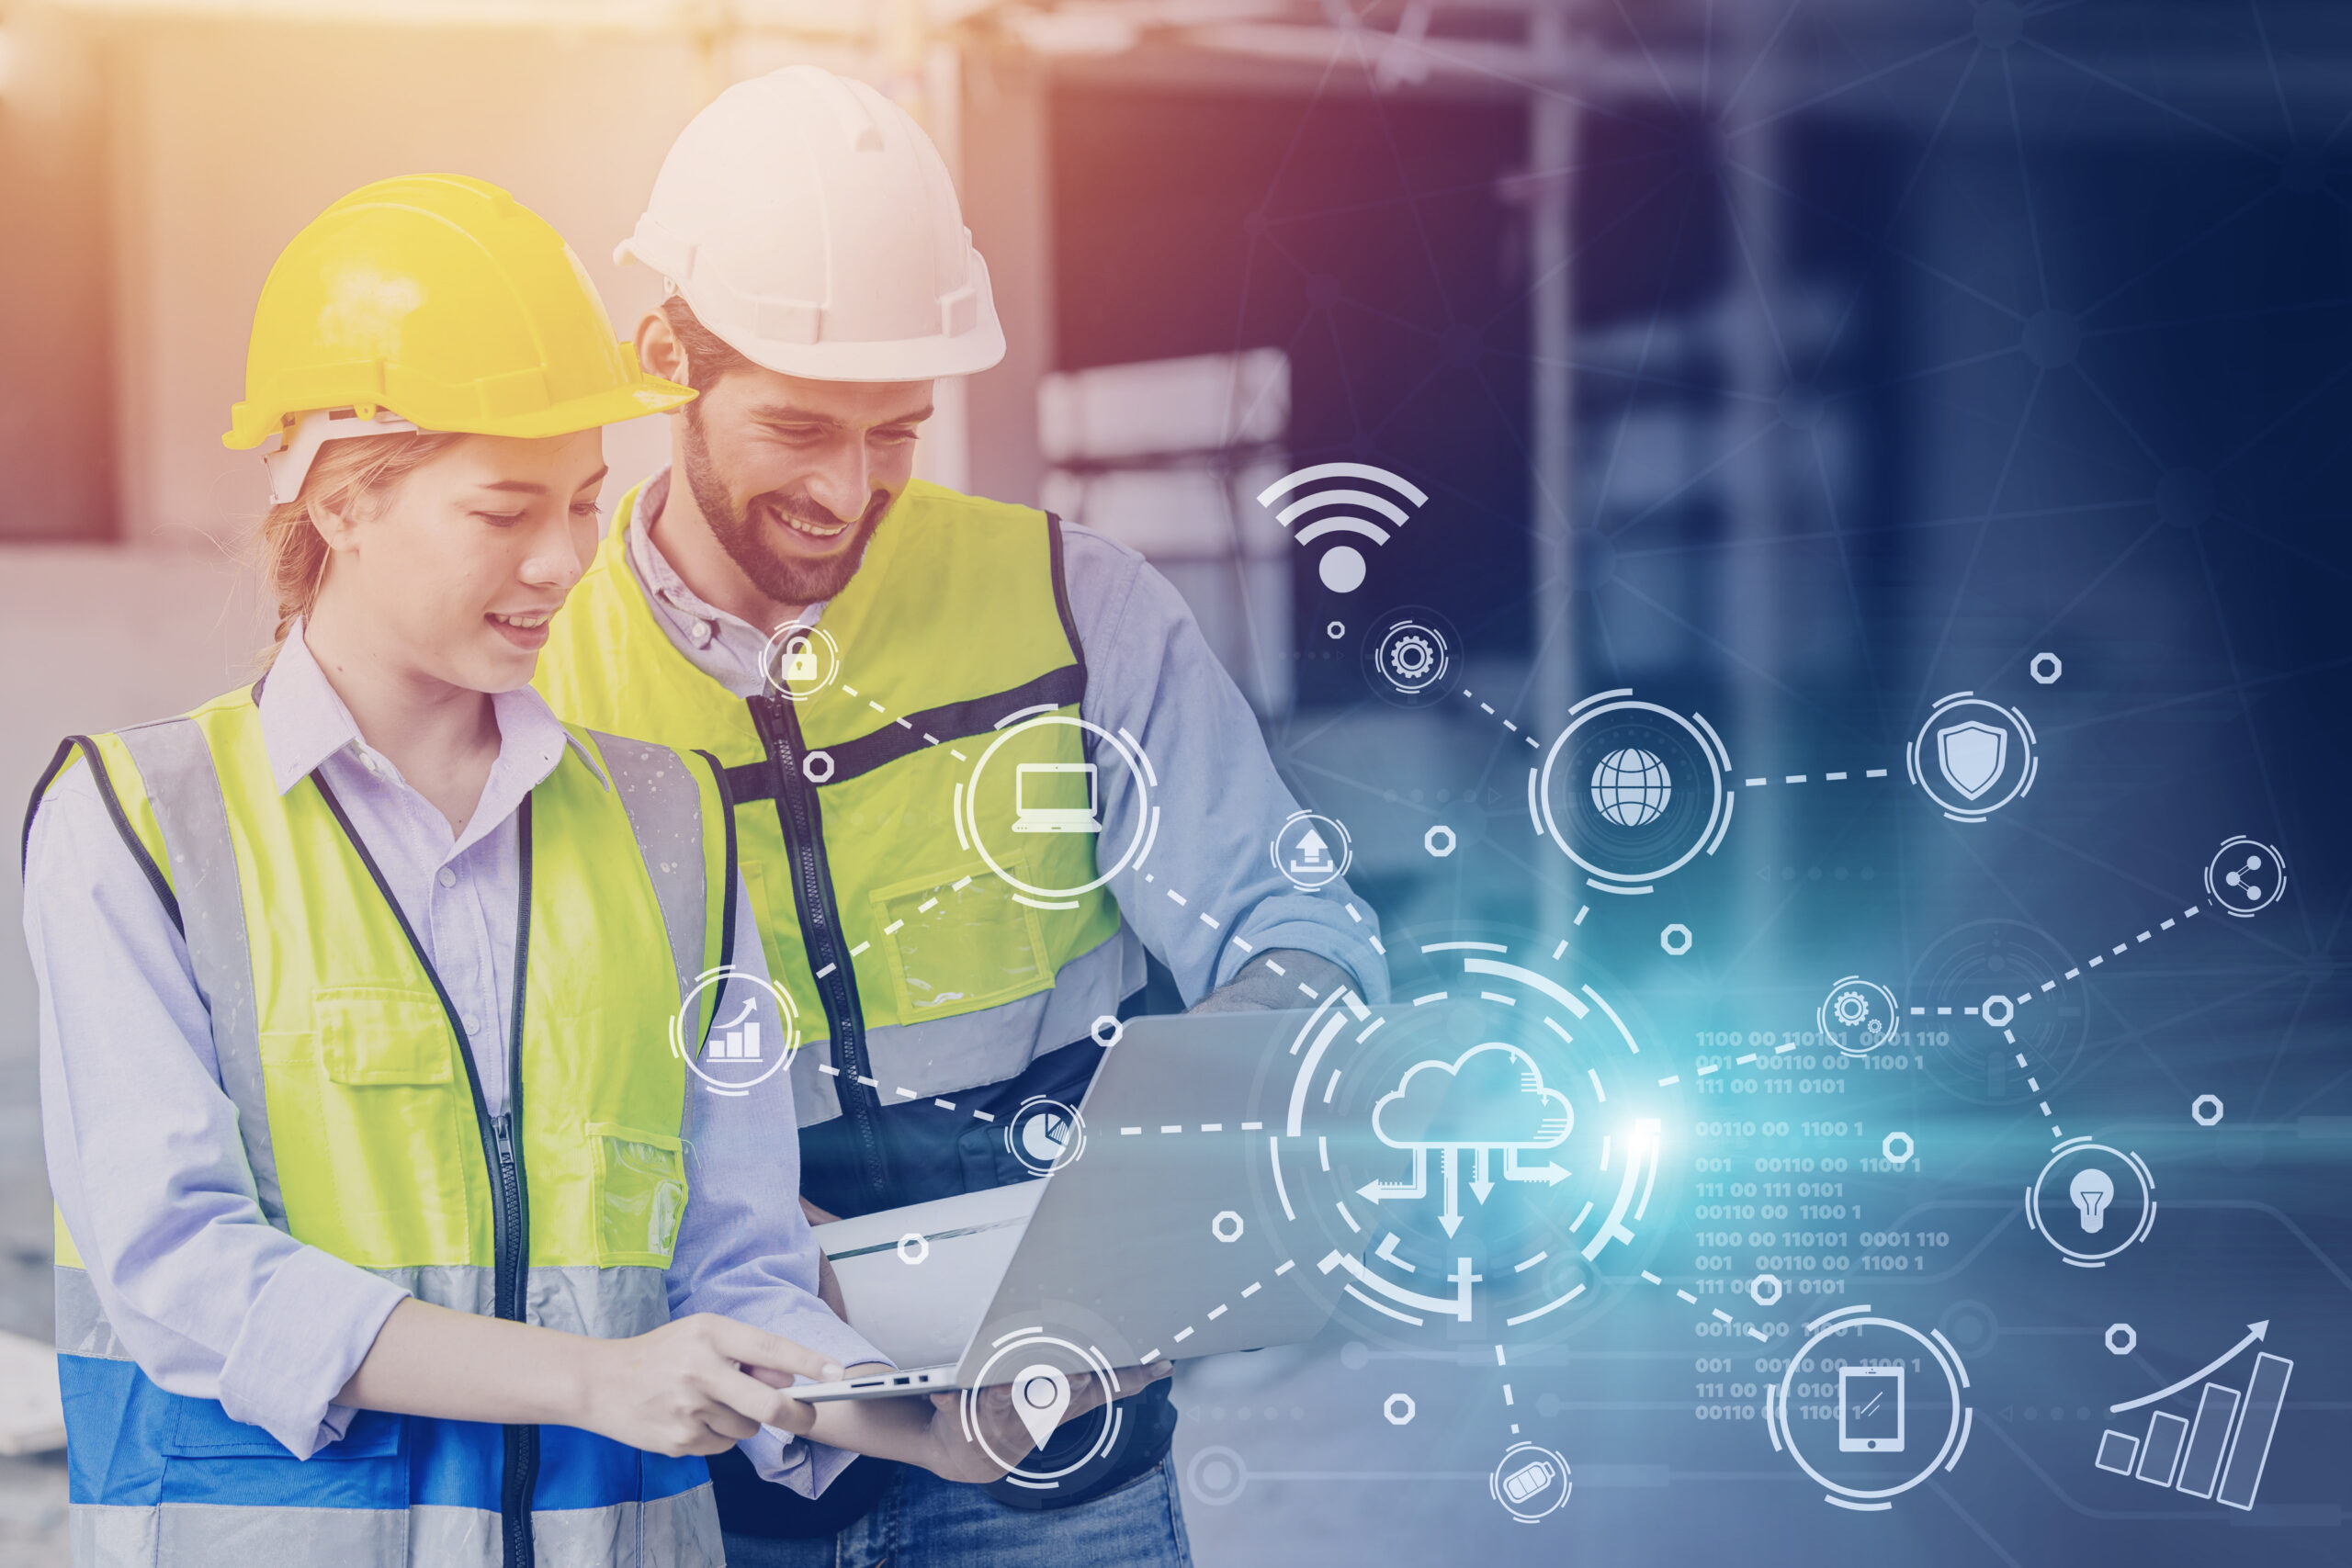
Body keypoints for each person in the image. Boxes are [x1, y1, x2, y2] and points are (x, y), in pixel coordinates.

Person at [22, 174, 1140, 1568]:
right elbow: (177, 1270)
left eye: (585, 502)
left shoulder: (668, 821)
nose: (565, 561)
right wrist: (593, 1379)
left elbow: (731, 1258)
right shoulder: (140, 820)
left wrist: (912, 1420)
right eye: (504, 512)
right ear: (340, 503)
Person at [533, 68, 1391, 1564]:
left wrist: (1161, 1205)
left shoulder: (1075, 604)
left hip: (1064, 1450)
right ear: (667, 356)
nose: (848, 493)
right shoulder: (547, 677)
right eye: (799, 429)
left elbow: (1296, 927)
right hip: (725, 1463)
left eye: (895, 434)